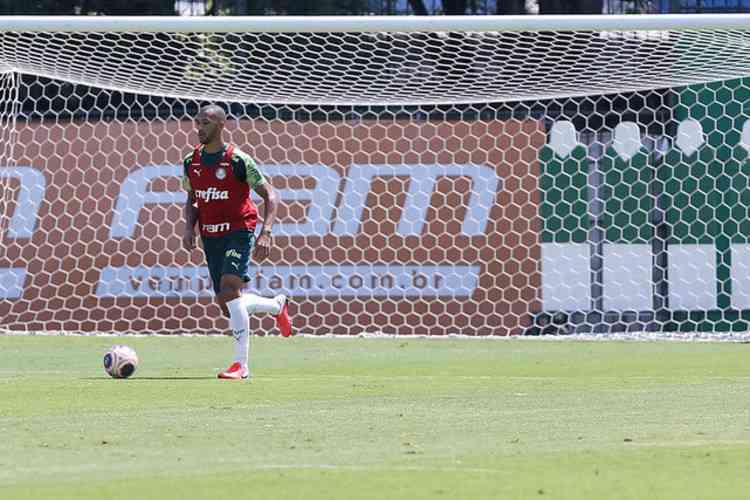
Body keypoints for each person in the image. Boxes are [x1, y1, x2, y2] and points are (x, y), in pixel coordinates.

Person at [182, 104, 292, 380]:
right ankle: (276, 306)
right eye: (197, 122)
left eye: (205, 123)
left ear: (221, 125)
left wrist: (265, 231)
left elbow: (270, 195)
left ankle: (240, 365)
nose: (199, 128)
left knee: (230, 291)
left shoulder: (237, 160)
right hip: (211, 234)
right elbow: (192, 198)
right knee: (227, 304)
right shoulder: (190, 162)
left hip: (239, 230)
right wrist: (189, 228)